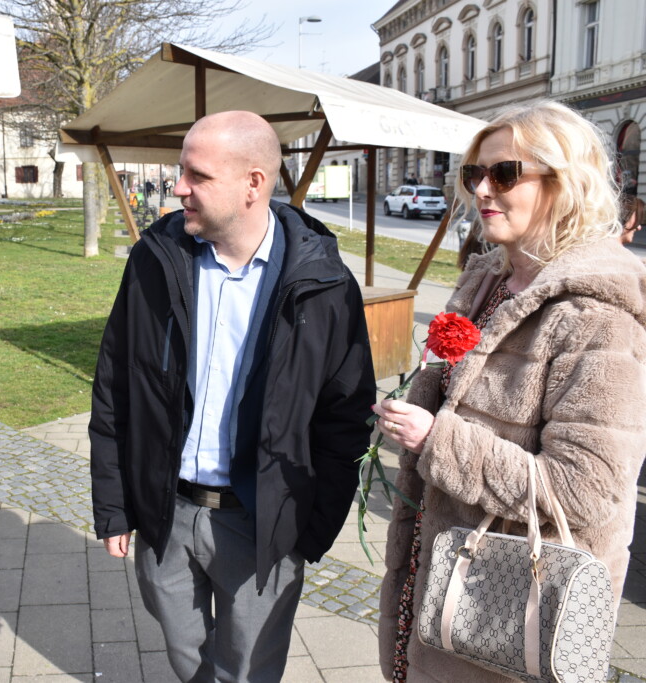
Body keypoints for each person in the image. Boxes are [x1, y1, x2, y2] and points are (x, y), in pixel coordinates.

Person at [89, 110, 375, 682]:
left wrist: (309, 531)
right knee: (187, 661)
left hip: (261, 525)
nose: (178, 188)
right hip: (165, 514)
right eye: (181, 171)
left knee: (247, 672)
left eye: (197, 175)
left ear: (253, 184)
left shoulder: (323, 283)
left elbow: (345, 415)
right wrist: (116, 506)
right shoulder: (154, 260)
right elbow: (116, 384)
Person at [372, 100, 646, 681]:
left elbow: (584, 489)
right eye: (475, 173)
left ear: (564, 182)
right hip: (436, 583)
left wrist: (435, 439)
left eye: (504, 173)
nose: (482, 190)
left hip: (514, 611)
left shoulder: (598, 315)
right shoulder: (486, 280)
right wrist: (411, 411)